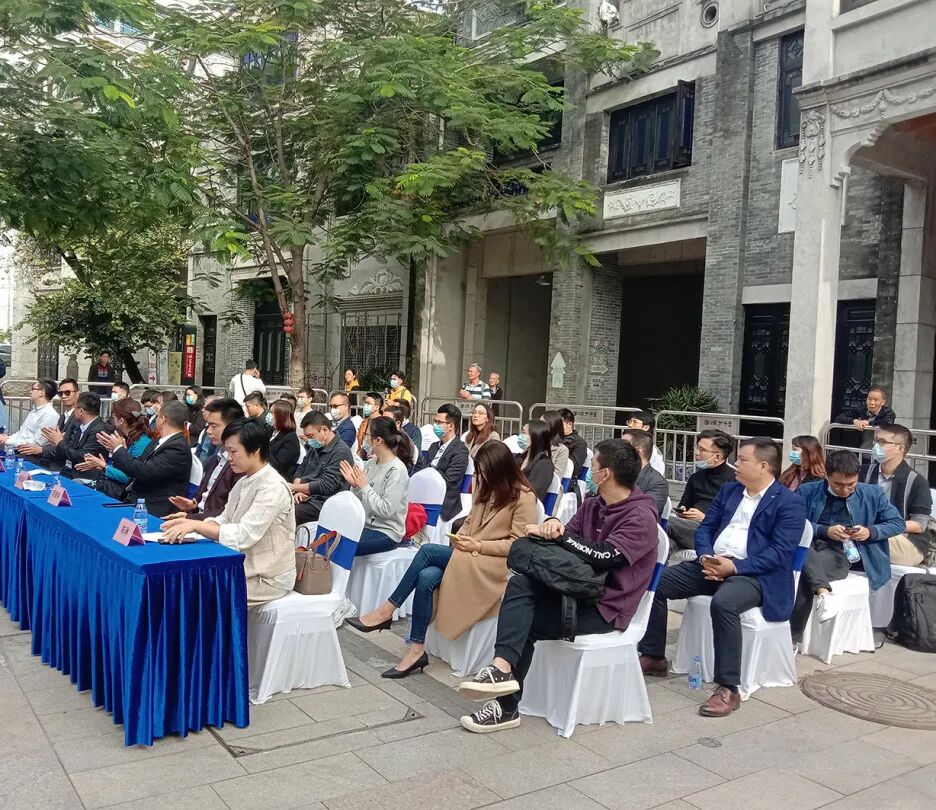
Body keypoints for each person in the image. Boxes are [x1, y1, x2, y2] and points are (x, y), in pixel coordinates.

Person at [457, 440, 659, 733]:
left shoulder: (640, 517)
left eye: (593, 466)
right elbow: (568, 535)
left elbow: (606, 556)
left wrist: (563, 537)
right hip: (574, 588)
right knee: (521, 584)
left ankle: (506, 705)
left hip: (604, 608)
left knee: (523, 620)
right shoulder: (594, 504)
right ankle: (501, 669)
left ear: (605, 474)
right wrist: (551, 526)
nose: (589, 471)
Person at [638, 438, 806, 717]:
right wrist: (705, 556)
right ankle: (654, 654)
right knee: (656, 582)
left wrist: (734, 568)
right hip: (713, 563)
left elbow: (780, 553)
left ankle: (729, 688)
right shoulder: (730, 491)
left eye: (743, 460)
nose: (736, 464)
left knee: (724, 603)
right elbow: (705, 528)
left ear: (764, 466)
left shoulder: (789, 503)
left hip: (754, 574)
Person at [348, 442, 538, 679]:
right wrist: (461, 538)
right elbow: (469, 522)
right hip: (469, 554)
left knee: (427, 551)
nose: (481, 477)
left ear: (501, 470)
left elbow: (518, 545)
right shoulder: (487, 486)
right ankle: (416, 650)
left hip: (493, 564)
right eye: (480, 471)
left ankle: (386, 611)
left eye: (485, 472)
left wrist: (478, 545)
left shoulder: (523, 497)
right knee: (426, 576)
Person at [161, 419, 296, 607]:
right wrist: (190, 524)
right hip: (242, 565)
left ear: (256, 450)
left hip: (267, 578)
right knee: (186, 581)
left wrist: (196, 525)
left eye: (233, 451)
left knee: (201, 595)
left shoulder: (273, 487)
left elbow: (244, 535)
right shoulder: (244, 481)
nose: (229, 457)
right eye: (227, 451)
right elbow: (224, 519)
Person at [792, 450, 904, 639]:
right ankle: (824, 594)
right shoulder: (807, 491)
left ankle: (792, 637)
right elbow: (793, 522)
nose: (844, 490)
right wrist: (824, 530)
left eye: (851, 485)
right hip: (810, 545)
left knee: (804, 567)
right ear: (827, 476)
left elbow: (897, 523)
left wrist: (870, 531)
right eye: (838, 485)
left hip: (843, 553)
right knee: (803, 554)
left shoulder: (872, 494)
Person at [100, 400, 192, 517]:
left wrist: (118, 450)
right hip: (137, 499)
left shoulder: (177, 448)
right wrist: (120, 452)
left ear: (163, 419)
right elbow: (137, 466)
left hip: (155, 507)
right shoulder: (158, 441)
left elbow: (144, 473)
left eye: (157, 416)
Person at [861, 424, 932, 567]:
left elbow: (919, 524)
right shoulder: (864, 471)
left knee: (865, 539)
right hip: (866, 530)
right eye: (876, 440)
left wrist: (878, 528)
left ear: (900, 448)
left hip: (906, 540)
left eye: (882, 442)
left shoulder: (917, 481)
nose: (876, 446)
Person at [339, 415, 411, 556]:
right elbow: (361, 501)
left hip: (386, 532)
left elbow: (386, 510)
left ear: (378, 440)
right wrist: (355, 485)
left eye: (367, 435)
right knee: (330, 537)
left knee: (343, 545)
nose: (364, 439)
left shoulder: (397, 470)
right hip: (365, 524)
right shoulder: (371, 463)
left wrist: (364, 487)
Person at [168, 397, 245, 520]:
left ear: (232, 426)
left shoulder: (240, 465)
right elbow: (207, 497)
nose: (208, 431)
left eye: (213, 426)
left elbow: (226, 514)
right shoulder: (216, 458)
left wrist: (190, 518)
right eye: (208, 425)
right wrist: (194, 504)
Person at [666, 429, 736, 552]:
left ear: (717, 456)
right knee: (665, 543)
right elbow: (684, 504)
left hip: (711, 530)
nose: (696, 453)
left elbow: (733, 520)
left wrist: (704, 518)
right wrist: (683, 511)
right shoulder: (696, 477)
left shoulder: (735, 481)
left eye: (702, 450)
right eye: (697, 447)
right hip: (686, 527)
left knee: (662, 521)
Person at [76, 398, 153, 498]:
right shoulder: (128, 438)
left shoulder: (141, 443)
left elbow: (129, 477)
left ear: (121, 420)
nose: (112, 419)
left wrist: (104, 466)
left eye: (114, 415)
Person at [292, 411, 353, 522]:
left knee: (287, 511)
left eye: (310, 436)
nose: (309, 440)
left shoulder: (341, 452)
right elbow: (301, 468)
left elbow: (326, 485)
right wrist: (298, 488)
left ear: (324, 430)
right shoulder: (316, 446)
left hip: (326, 503)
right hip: (308, 497)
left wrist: (295, 487)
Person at [33, 392, 107, 478]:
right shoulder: (81, 425)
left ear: (80, 411)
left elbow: (81, 457)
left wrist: (59, 443)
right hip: (69, 469)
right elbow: (70, 449)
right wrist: (57, 444)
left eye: (75, 408)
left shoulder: (99, 430)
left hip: (85, 476)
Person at [425, 404, 470, 523]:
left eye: (439, 422)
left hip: (444, 503)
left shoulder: (460, 450)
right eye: (435, 421)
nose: (435, 425)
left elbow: (450, 480)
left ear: (451, 426)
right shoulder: (433, 446)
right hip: (425, 495)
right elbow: (423, 470)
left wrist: (430, 476)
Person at [14, 377, 80, 456]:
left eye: (67, 392)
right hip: (45, 455)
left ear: (77, 394)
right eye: (60, 393)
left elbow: (70, 448)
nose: (63, 396)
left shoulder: (79, 418)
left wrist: (42, 449)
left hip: (55, 460)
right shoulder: (62, 417)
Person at [0, 378, 59, 449]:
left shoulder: (49, 415)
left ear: (41, 392)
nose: (30, 392)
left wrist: (8, 441)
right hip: (19, 448)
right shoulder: (35, 411)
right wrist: (8, 438)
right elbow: (22, 433)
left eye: (32, 389)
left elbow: (37, 443)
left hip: (30, 453)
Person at [622, 429, 669, 518]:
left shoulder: (657, 483)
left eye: (623, 447)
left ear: (638, 451)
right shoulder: (614, 473)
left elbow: (645, 515)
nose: (617, 450)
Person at [517, 420, 554, 503]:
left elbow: (534, 492)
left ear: (535, 436)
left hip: (525, 505)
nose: (521, 436)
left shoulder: (544, 465)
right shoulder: (519, 458)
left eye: (524, 433)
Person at [381, 404, 423, 472]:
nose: (382, 423)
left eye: (387, 420)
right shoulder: (382, 436)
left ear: (397, 423)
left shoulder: (404, 442)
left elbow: (401, 468)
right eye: (381, 419)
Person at [268, 399, 300, 480]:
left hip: (279, 478)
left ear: (280, 416)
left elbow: (279, 466)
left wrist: (264, 447)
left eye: (272, 413)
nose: (268, 415)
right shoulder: (271, 431)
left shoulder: (290, 438)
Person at [559, 408, 588, 483]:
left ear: (570, 424)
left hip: (567, 480)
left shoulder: (580, 443)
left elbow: (574, 467)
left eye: (559, 424)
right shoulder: (554, 439)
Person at [540, 409, 571, 480]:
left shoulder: (562, 450)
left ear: (552, 426)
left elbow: (556, 477)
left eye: (542, 424)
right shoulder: (534, 444)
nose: (538, 427)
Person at [193, 394, 221, 464]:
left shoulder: (219, 434)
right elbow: (198, 452)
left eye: (206, 408)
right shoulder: (205, 429)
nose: (202, 410)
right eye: (203, 407)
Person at [355, 392, 384, 459]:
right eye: (365, 403)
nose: (365, 406)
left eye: (368, 403)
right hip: (363, 456)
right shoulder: (364, 423)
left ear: (377, 407)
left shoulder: (383, 423)